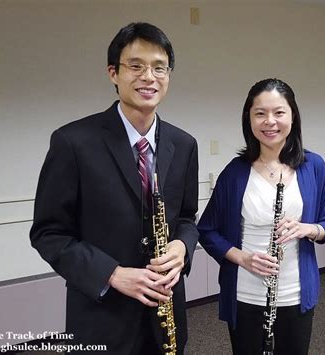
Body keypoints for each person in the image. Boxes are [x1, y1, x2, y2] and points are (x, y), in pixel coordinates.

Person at [30, 22, 199, 355]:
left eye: (159, 68)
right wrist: (112, 274)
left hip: (166, 316)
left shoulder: (183, 144)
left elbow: (188, 218)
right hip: (102, 317)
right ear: (113, 73)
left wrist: (182, 247)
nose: (148, 77)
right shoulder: (73, 142)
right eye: (135, 66)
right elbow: (49, 233)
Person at [198, 78, 325, 355]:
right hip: (245, 292)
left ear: (292, 116)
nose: (269, 121)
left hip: (295, 292)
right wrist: (242, 258)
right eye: (260, 113)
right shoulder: (235, 172)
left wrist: (307, 229)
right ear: (248, 119)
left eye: (279, 112)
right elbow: (207, 230)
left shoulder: (314, 166)